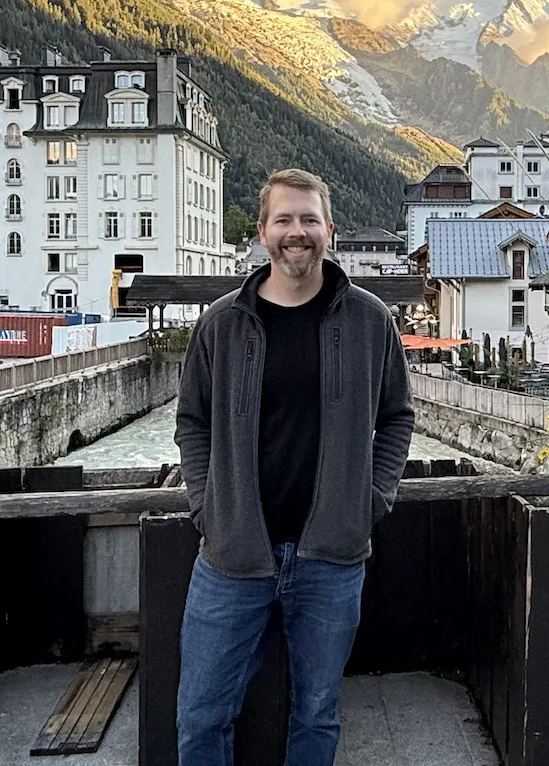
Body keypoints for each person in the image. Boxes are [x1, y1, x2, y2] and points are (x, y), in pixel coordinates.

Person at [173, 168, 415, 766]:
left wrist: (372, 499)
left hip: (331, 556)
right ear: (262, 232)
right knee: (200, 718)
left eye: (309, 219)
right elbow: (192, 422)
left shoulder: (369, 320)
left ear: (329, 230)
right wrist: (207, 507)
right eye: (284, 219)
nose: (297, 232)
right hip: (231, 555)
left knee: (316, 715)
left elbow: (397, 417)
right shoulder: (221, 323)